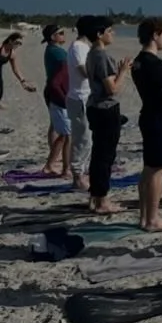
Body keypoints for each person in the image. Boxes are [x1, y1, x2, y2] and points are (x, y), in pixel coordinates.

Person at [131, 17, 162, 232]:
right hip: (160, 117)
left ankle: (145, 217)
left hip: (150, 115)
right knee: (159, 170)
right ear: (155, 35)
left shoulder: (139, 60)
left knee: (149, 169)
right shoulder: (153, 63)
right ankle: (152, 218)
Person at [84, 18, 131, 215]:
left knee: (99, 155)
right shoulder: (100, 55)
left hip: (97, 107)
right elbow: (111, 89)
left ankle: (96, 196)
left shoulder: (92, 53)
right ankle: (101, 200)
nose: (113, 34)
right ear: (99, 34)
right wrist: (123, 72)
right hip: (104, 109)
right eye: (110, 31)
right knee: (104, 156)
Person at [66, 15, 95, 191]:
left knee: (88, 139)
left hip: (85, 97)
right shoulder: (78, 47)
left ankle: (83, 173)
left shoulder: (84, 47)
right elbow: (84, 71)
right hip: (79, 98)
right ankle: (77, 176)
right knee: (83, 139)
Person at [40, 25, 71, 176]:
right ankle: (58, 165)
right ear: (53, 37)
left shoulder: (53, 50)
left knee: (58, 127)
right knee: (67, 134)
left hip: (55, 91)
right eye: (60, 33)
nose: (64, 35)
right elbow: (68, 68)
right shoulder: (57, 52)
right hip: (57, 93)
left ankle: (54, 160)